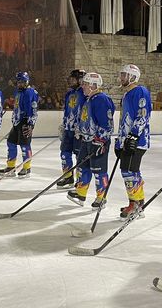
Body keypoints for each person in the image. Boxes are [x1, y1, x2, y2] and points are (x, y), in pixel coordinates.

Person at [67, 72, 115, 209]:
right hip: (86, 140)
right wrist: (79, 130)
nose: (82, 86)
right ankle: (81, 193)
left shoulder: (101, 99)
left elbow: (107, 124)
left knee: (98, 170)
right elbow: (86, 118)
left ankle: (101, 197)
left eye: (85, 84)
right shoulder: (89, 99)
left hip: (98, 142)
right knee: (83, 166)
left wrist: (99, 141)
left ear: (94, 86)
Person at [114, 64, 152, 219]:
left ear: (133, 77)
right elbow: (124, 120)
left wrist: (134, 136)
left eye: (125, 75)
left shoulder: (140, 91)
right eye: (122, 75)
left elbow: (143, 115)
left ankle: (135, 204)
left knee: (128, 172)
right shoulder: (126, 94)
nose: (122, 78)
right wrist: (119, 141)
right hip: (128, 140)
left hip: (137, 141)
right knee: (132, 171)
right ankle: (138, 202)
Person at [0, 71, 39, 178]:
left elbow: (34, 109)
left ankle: (27, 168)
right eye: (18, 82)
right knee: (11, 143)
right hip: (17, 122)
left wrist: (30, 124)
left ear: (26, 82)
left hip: (26, 122)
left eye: (21, 82)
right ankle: (11, 166)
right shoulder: (18, 92)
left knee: (24, 145)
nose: (19, 84)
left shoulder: (31, 92)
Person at [56, 69, 86, 189]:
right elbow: (67, 111)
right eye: (71, 78)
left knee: (79, 157)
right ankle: (68, 177)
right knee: (64, 153)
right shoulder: (69, 94)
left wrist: (83, 127)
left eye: (74, 78)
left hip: (79, 132)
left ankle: (80, 181)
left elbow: (86, 111)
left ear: (80, 80)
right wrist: (64, 124)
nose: (71, 80)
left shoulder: (84, 93)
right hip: (68, 129)